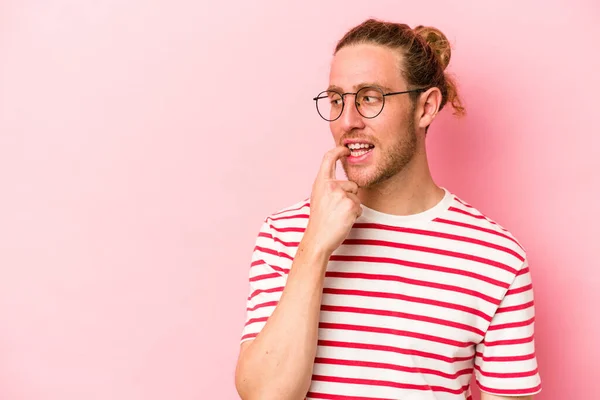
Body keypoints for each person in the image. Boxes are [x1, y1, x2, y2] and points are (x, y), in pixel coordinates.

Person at [234, 18, 542, 400]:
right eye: (336, 100)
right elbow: (265, 395)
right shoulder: (285, 235)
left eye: (369, 97)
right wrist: (313, 249)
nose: (347, 122)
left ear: (426, 107)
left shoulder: (496, 259)